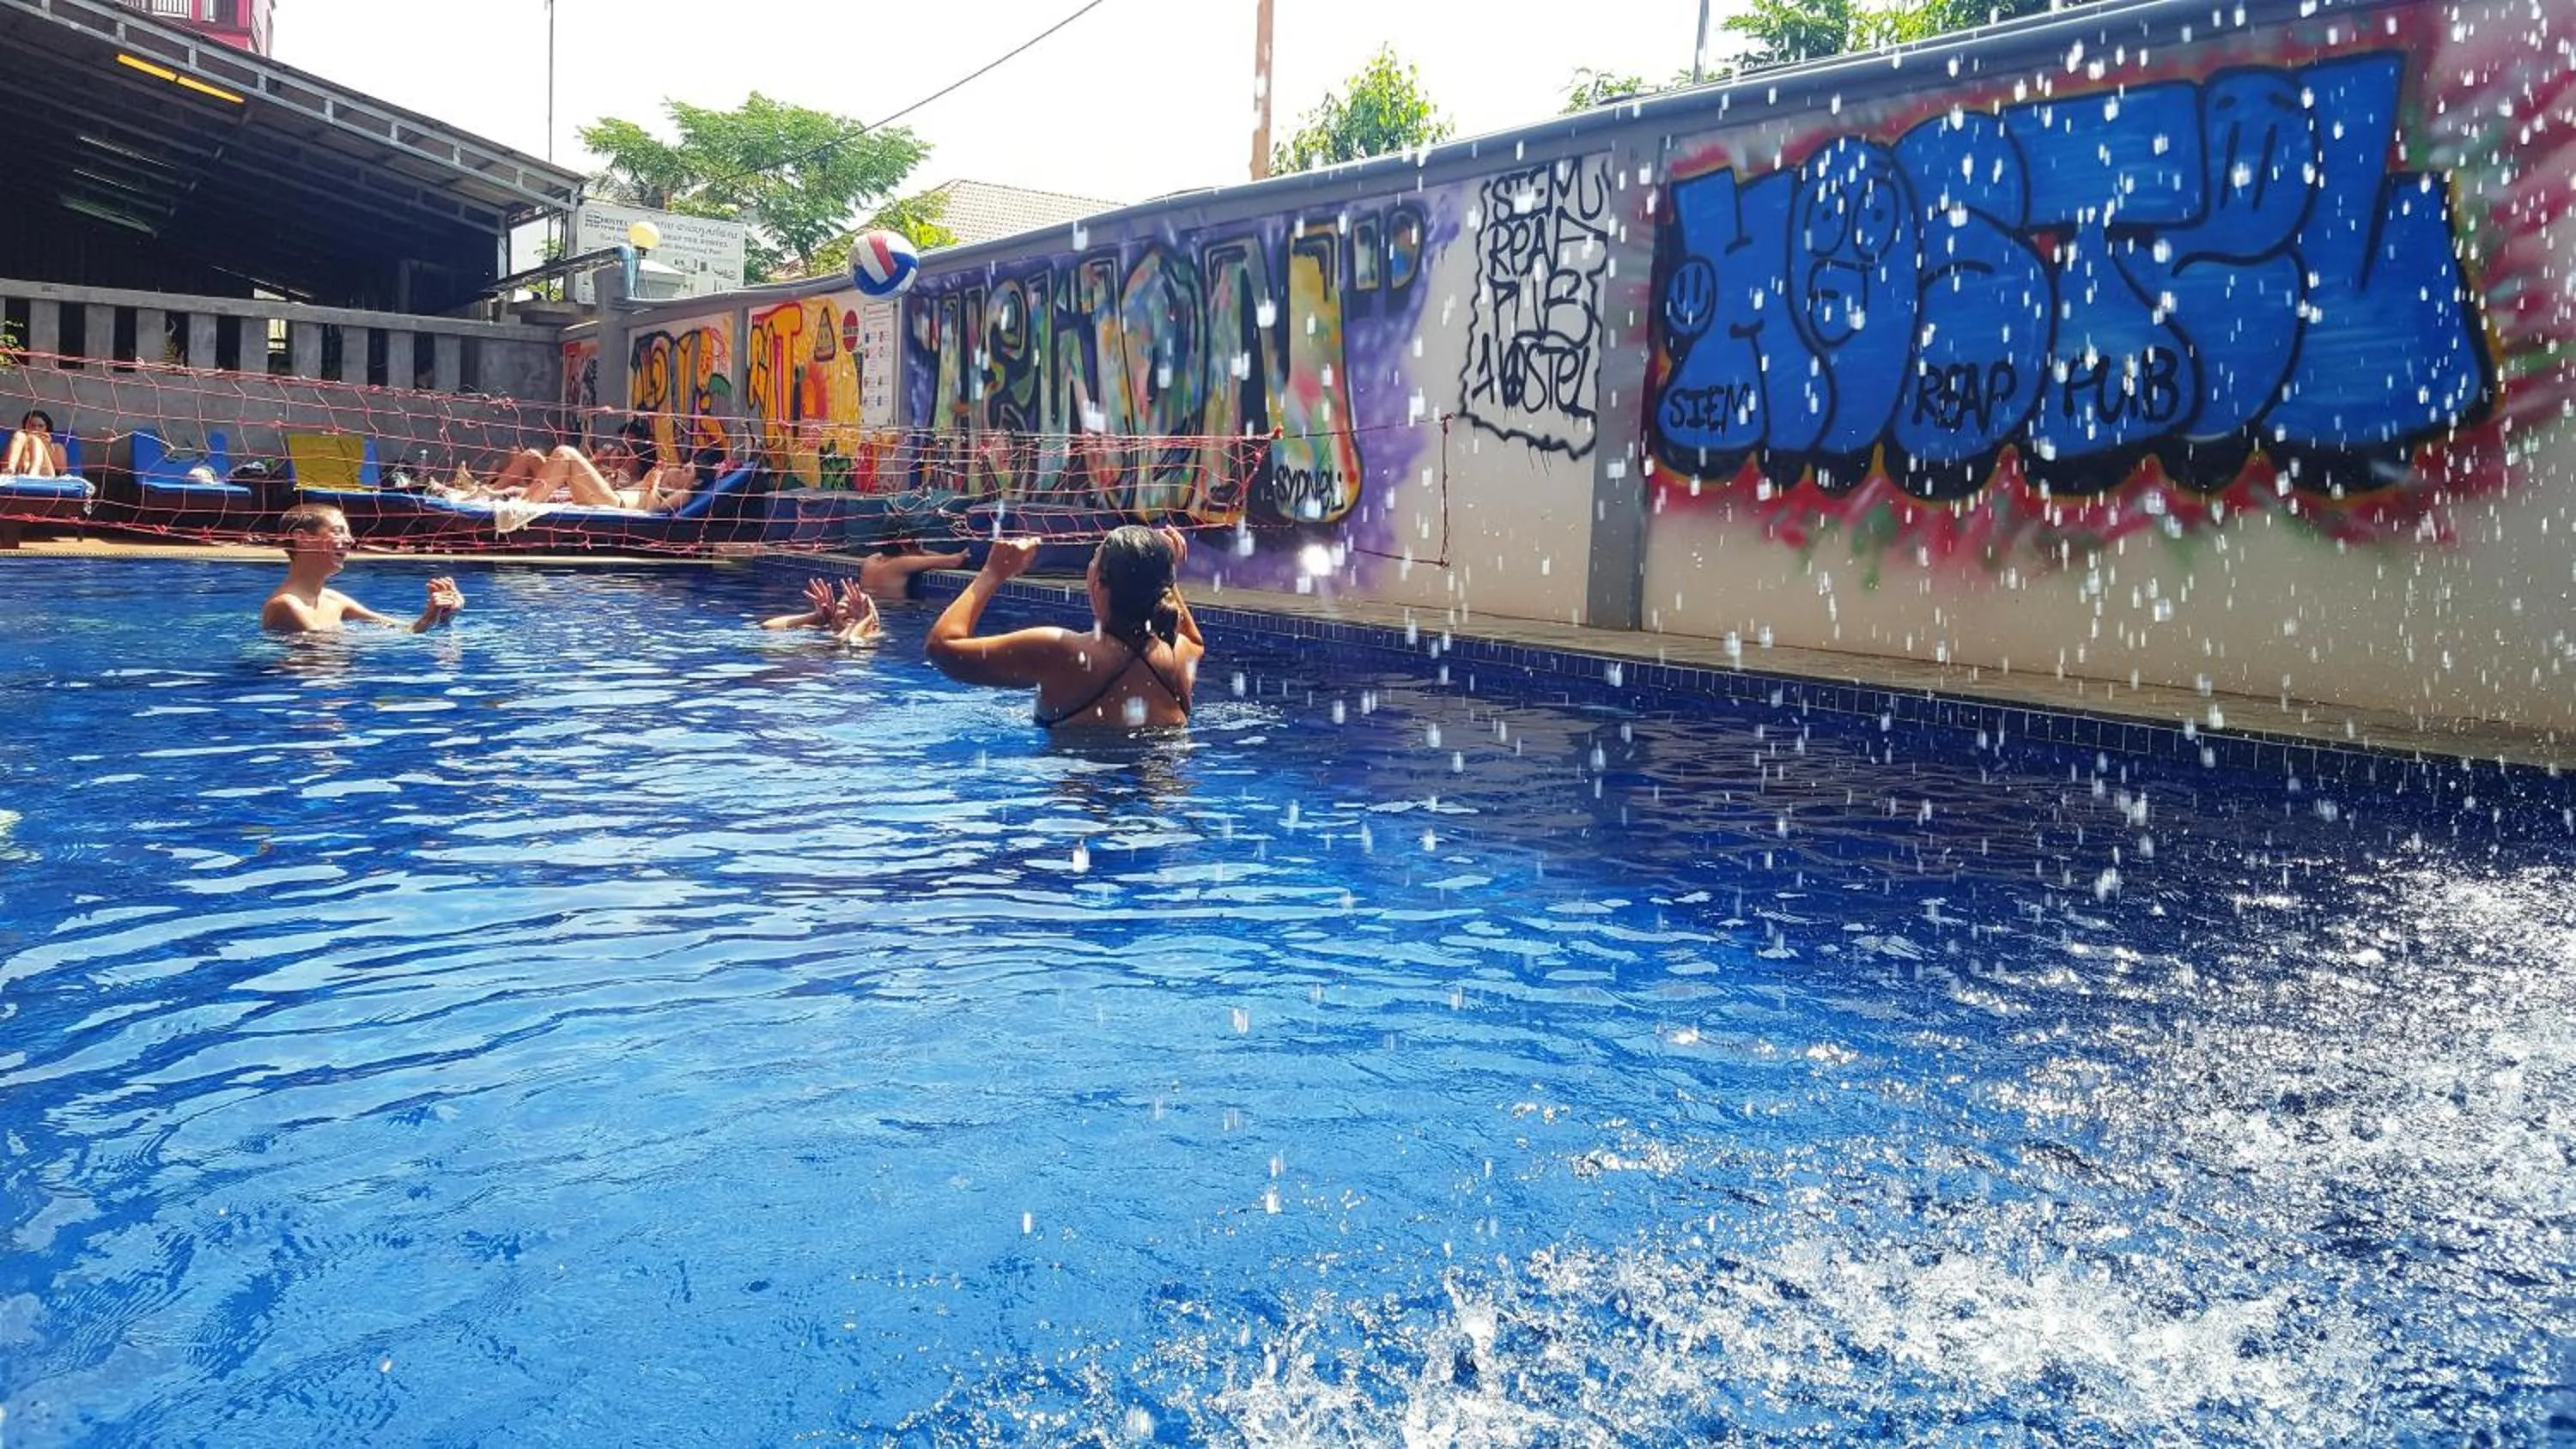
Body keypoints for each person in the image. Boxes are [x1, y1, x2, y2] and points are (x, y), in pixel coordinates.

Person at [926, 524, 1202, 729]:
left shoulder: (1062, 652)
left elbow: (942, 648)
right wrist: (1163, 570)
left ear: (1100, 584)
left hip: (1083, 796)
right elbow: (1195, 639)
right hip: (1163, 794)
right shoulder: (1180, 655)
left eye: (1094, 558)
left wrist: (992, 573)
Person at [261, 503, 464, 634]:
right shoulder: (286, 606)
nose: (349, 540)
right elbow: (324, 654)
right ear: (302, 539)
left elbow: (402, 629)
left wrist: (443, 614)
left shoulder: (333, 599)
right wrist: (428, 619)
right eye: (338, 532)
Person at [762, 577, 882, 647]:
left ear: (874, 625)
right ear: (833, 620)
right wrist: (817, 617)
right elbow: (768, 626)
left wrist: (862, 620)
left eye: (862, 608)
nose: (852, 611)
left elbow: (849, 641)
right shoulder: (825, 630)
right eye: (845, 606)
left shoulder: (871, 638)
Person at [856, 544, 971, 600]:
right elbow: (955, 561)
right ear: (905, 547)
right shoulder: (902, 563)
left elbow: (920, 555)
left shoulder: (870, 560)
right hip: (894, 611)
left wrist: (918, 551)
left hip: (870, 605)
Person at [5, 409, 65, 477]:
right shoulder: (19, 440)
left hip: (46, 474)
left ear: (47, 428)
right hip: (21, 472)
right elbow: (4, 462)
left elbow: (61, 472)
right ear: (26, 426)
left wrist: (47, 447)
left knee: (35, 440)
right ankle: (11, 468)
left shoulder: (57, 447)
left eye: (40, 426)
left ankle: (33, 473)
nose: (36, 429)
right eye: (32, 425)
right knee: (19, 434)